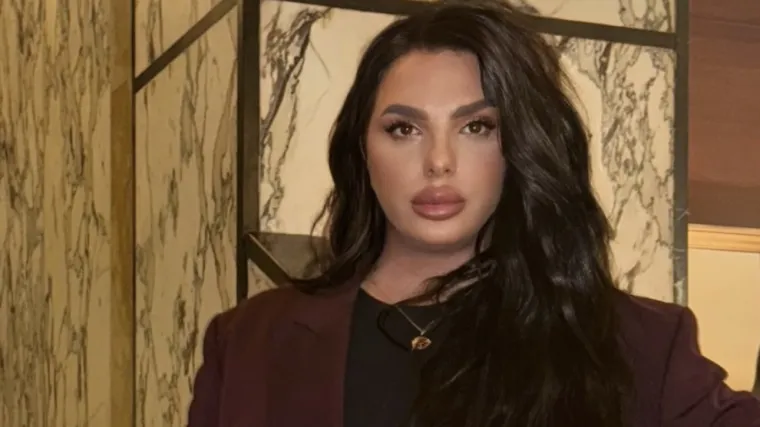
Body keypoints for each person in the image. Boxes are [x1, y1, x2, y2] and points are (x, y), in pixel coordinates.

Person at [188, 1, 760, 426]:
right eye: (404, 129)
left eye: (476, 127)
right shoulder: (247, 345)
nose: (439, 161)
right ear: (362, 149)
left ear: (519, 147)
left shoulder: (638, 345)